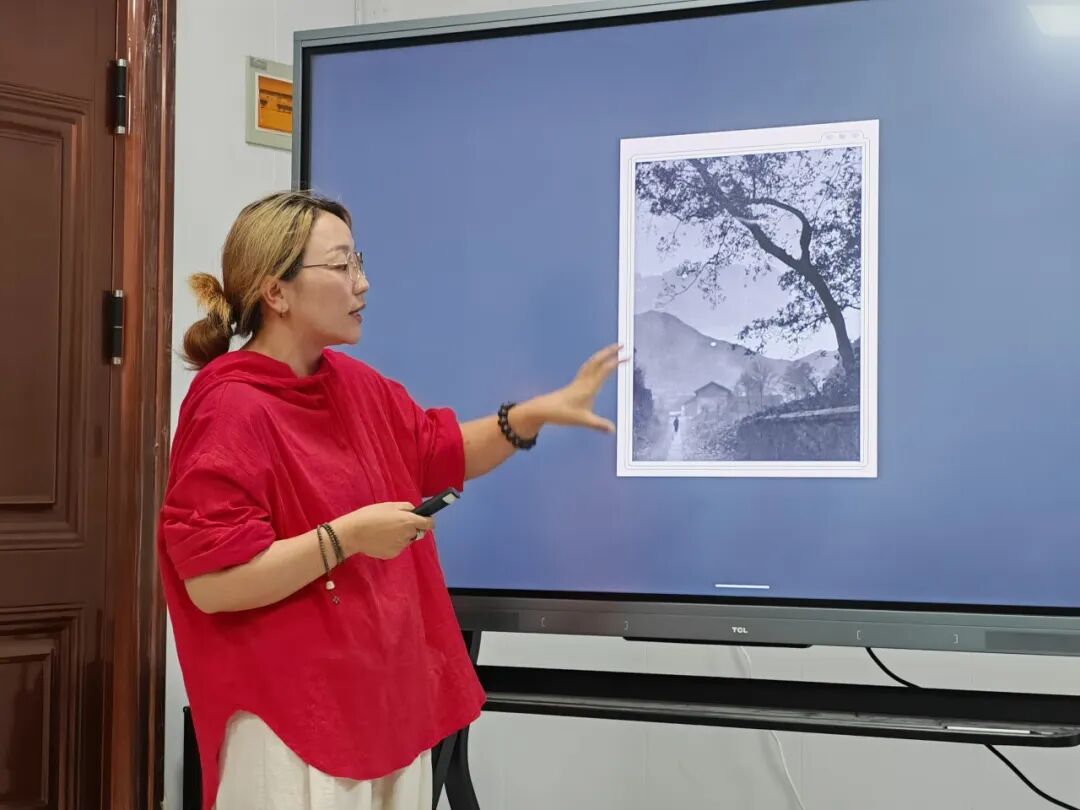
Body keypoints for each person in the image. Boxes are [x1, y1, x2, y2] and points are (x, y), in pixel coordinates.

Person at [159, 190, 622, 810]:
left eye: (360, 262)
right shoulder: (229, 406)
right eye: (343, 265)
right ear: (277, 292)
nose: (364, 283)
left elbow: (440, 451)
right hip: (293, 725)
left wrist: (531, 416)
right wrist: (345, 538)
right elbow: (212, 584)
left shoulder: (358, 387)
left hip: (384, 705)